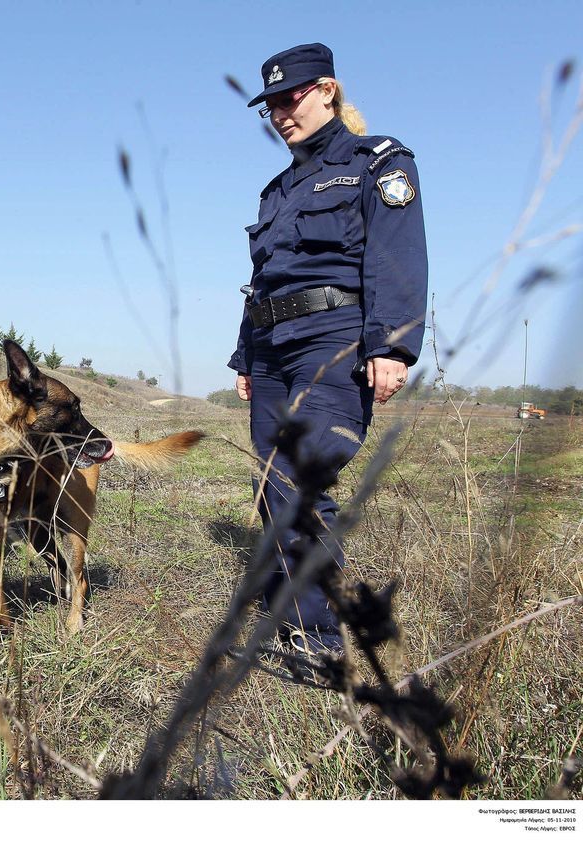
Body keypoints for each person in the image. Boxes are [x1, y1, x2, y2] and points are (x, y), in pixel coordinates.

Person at [229, 43, 428, 654]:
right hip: (270, 347)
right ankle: (287, 618)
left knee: (299, 474)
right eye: (271, 107)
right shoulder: (277, 189)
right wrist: (245, 356)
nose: (282, 113)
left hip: (334, 339)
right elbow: (266, 275)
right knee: (272, 481)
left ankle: (318, 637)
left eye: (292, 97)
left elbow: (395, 254)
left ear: (327, 91)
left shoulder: (378, 162)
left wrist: (391, 346)